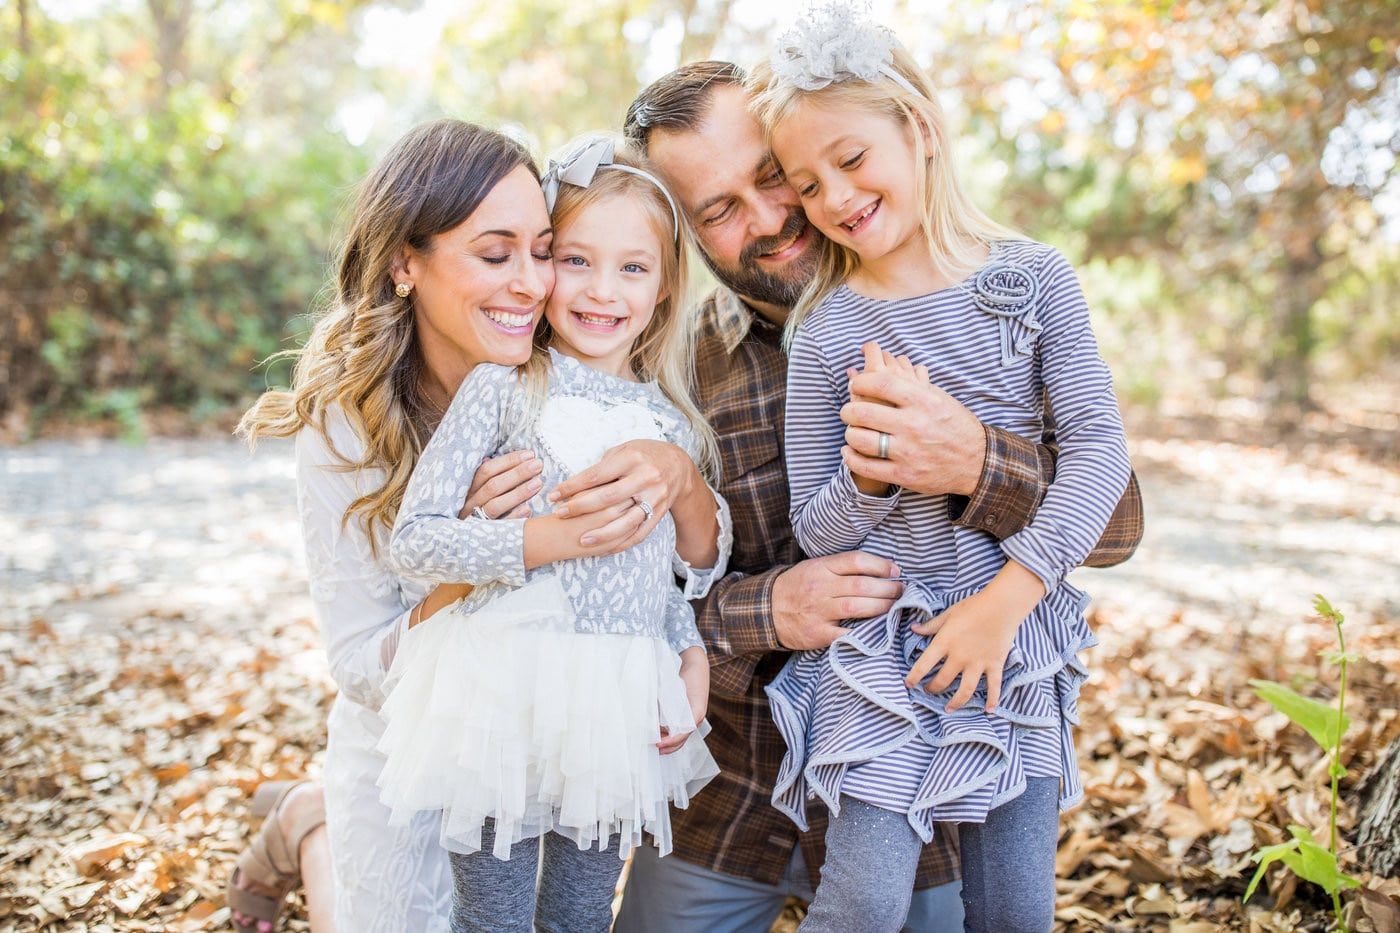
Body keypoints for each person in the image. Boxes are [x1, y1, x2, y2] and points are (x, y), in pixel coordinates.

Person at [612, 57, 1144, 933]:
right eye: (720, 208)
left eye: (776, 176)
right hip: (729, 793)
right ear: (685, 238)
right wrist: (764, 610)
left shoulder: (985, 298)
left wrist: (978, 462)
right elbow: (621, 610)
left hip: (930, 780)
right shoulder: (668, 368)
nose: (774, 215)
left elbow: (1119, 523)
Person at [233, 120, 718, 931]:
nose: (533, 284)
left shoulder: (594, 391)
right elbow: (359, 667)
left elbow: (657, 565)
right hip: (411, 737)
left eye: (542, 249)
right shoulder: (344, 428)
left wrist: (682, 608)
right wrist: (496, 549)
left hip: (549, 729)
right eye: (496, 256)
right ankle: (309, 822)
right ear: (405, 263)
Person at [745, 8, 1131, 931]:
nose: (835, 196)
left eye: (851, 158)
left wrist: (1009, 602)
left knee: (1015, 908)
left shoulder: (1032, 280)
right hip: (883, 653)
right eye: (807, 182)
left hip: (1013, 640)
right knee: (866, 900)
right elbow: (818, 527)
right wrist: (874, 471)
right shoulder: (829, 328)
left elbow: (1099, 450)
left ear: (916, 130)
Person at [376, 137, 728, 933]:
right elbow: (418, 542)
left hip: (611, 708)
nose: (603, 291)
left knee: (578, 916)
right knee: (494, 918)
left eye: (633, 267)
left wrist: (686, 651)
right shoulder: (501, 389)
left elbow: (664, 575)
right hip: (503, 688)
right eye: (576, 260)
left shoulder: (668, 424)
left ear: (667, 282)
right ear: (544, 265)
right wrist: (542, 539)